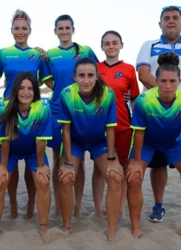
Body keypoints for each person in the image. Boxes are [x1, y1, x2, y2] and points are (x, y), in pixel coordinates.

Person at [136, 5, 181, 222]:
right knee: (158, 164)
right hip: (154, 115)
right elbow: (144, 75)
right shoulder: (149, 45)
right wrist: (165, 94)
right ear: (160, 23)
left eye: (175, 18)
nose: (171, 21)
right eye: (166, 18)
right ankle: (158, 204)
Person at [127, 52, 181, 240]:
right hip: (148, 142)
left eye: (172, 81)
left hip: (175, 142)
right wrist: (136, 161)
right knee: (134, 177)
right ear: (155, 81)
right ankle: (136, 227)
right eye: (162, 81)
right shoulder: (144, 100)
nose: (167, 86)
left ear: (179, 80)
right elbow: (139, 132)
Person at [0, 9, 52, 220]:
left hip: (32, 110)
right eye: (17, 28)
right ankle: (14, 204)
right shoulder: (3, 53)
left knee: (32, 162)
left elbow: (47, 81)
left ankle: (31, 205)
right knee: (10, 163)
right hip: (10, 112)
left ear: (30, 30)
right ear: (12, 30)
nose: (21, 31)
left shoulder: (37, 54)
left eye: (24, 28)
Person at [58, 57, 123, 242]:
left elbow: (110, 128)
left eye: (90, 75)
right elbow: (66, 130)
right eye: (81, 76)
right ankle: (66, 225)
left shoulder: (107, 94)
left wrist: (111, 159)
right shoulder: (66, 94)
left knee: (116, 177)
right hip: (75, 142)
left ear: (96, 76)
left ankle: (111, 229)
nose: (86, 80)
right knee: (66, 177)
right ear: (75, 77)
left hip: (99, 142)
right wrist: (68, 162)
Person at [43, 14, 99, 218]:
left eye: (67, 27)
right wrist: (61, 91)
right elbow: (48, 81)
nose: (64, 31)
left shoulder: (85, 50)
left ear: (73, 29)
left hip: (82, 110)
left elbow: (96, 76)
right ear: (55, 31)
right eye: (60, 28)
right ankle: (58, 204)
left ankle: (77, 206)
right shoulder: (50, 54)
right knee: (58, 160)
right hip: (57, 110)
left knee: (80, 160)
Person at [0, 71, 52, 243]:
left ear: (35, 91)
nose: (26, 92)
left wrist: (40, 165)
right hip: (10, 150)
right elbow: (5, 142)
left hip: (34, 150)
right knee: (0, 181)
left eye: (30, 88)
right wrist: (2, 167)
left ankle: (42, 225)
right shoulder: (4, 108)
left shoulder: (42, 109)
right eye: (22, 88)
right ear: (15, 90)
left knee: (42, 180)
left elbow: (41, 142)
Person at [95, 30, 140, 219]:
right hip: (98, 126)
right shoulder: (95, 68)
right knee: (99, 169)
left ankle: (120, 210)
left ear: (121, 45)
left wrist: (137, 124)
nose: (111, 46)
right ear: (102, 47)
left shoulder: (129, 69)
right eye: (107, 43)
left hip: (122, 126)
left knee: (121, 167)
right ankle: (98, 210)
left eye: (115, 42)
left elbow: (135, 99)